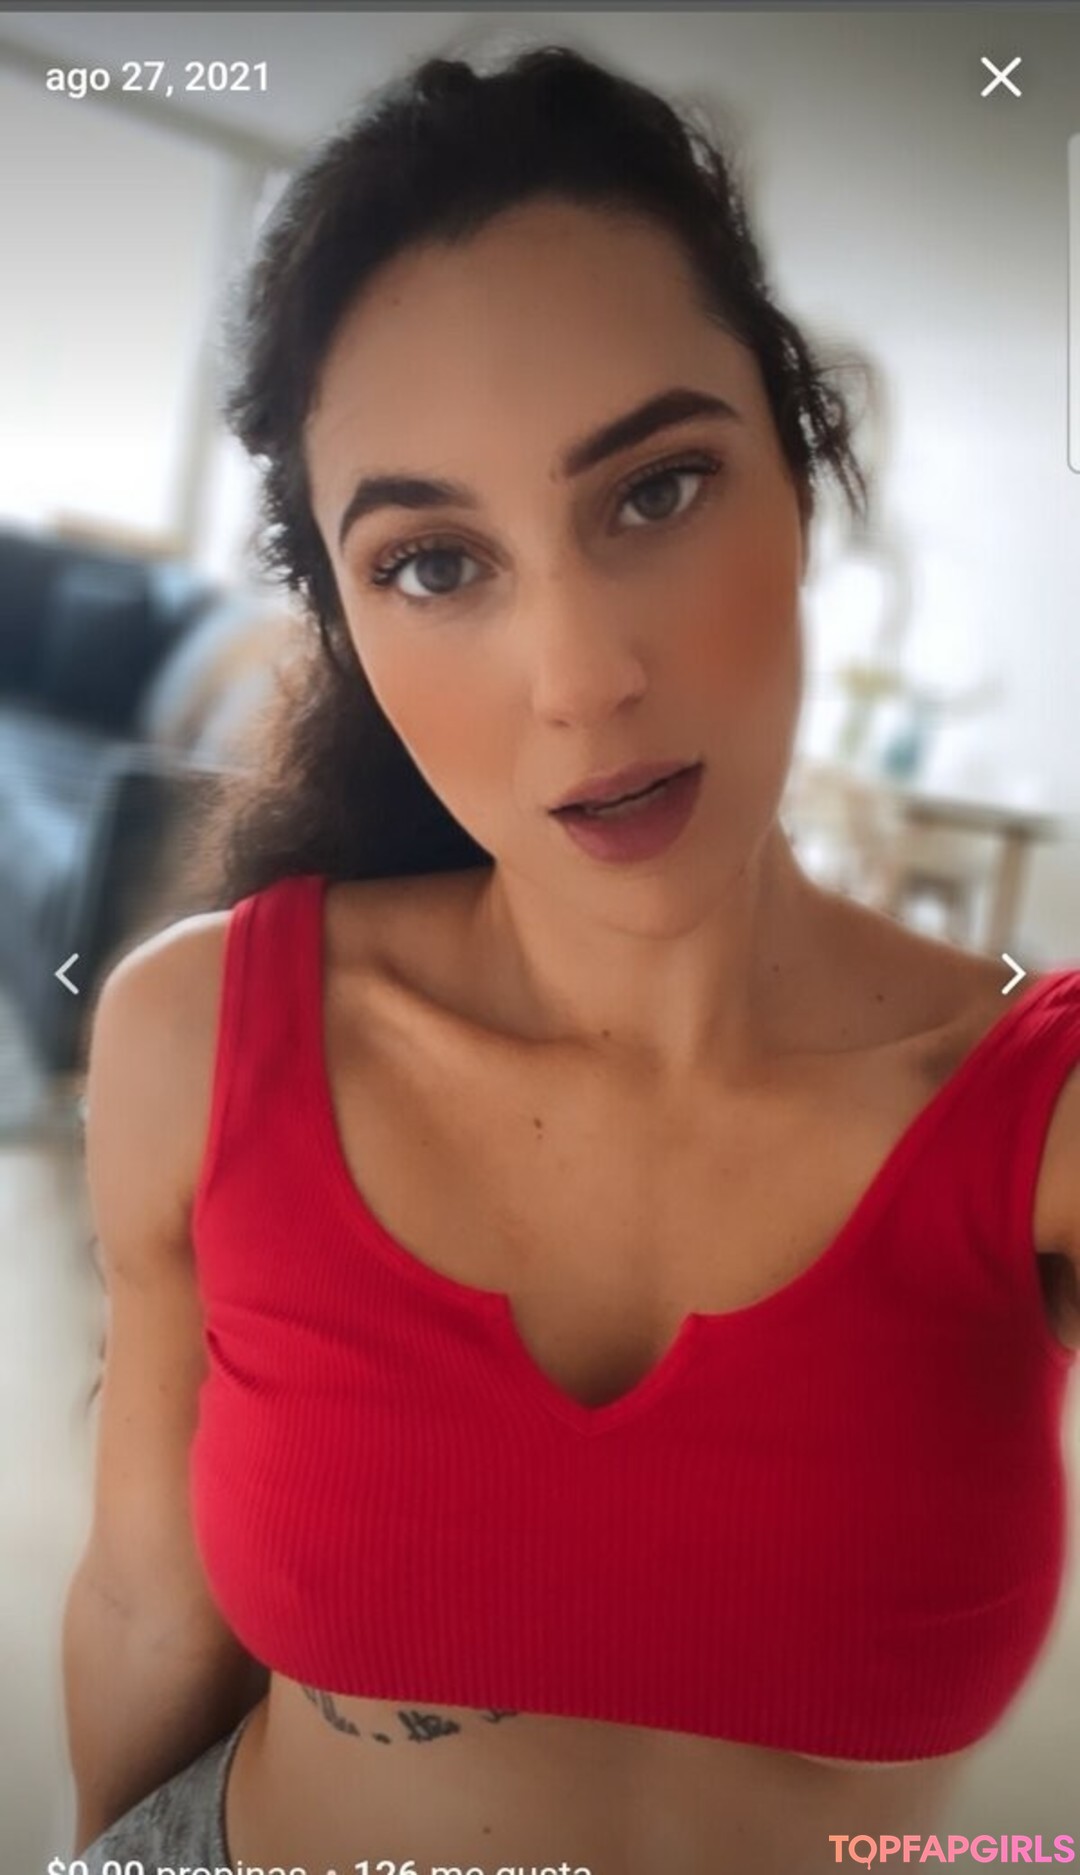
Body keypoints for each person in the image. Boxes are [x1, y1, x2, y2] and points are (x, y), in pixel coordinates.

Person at [62, 41, 1080, 1875]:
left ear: (802, 474)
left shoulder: (1036, 1106)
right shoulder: (200, 1031)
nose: (582, 679)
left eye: (658, 490)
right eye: (434, 563)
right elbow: (146, 1601)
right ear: (350, 624)